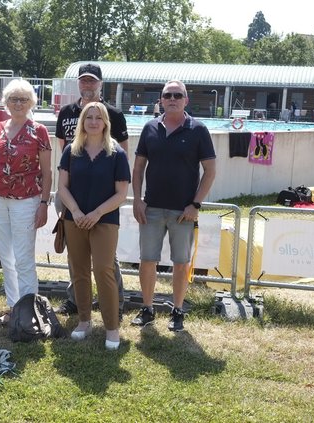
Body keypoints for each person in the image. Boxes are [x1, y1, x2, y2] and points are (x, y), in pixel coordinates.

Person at [131, 80, 216, 332]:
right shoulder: (150, 128)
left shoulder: (198, 130)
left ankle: (177, 311)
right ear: (161, 99)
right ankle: (147, 309)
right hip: (152, 209)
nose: (172, 99)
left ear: (186, 100)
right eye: (167, 95)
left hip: (183, 212)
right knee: (147, 260)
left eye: (178, 95)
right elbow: (138, 168)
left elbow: (210, 171)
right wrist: (137, 199)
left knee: (181, 263)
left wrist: (195, 204)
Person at [54, 62, 129, 317]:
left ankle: (115, 303)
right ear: (78, 83)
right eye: (83, 80)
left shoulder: (114, 114)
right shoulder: (66, 112)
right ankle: (76, 300)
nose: (87, 84)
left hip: (103, 196)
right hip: (71, 193)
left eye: (92, 80)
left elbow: (122, 154)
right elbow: (64, 148)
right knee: (75, 254)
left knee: (105, 259)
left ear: (100, 84)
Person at [0, 79, 52, 325]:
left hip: (26, 201)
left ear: (31, 103)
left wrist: (44, 204)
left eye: (23, 99)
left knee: (24, 258)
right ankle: (13, 308)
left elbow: (47, 172)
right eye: (13, 99)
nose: (18, 103)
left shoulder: (39, 131)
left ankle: (29, 314)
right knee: (6, 257)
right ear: (6, 102)